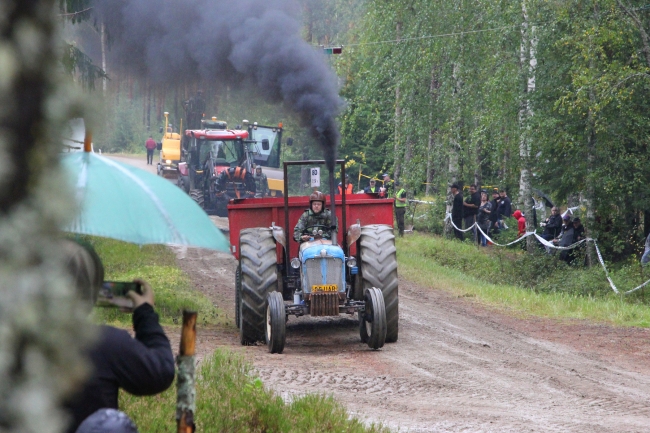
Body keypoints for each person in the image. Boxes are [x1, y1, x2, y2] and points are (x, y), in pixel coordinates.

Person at [62, 240, 175, 433]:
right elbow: (161, 371)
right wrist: (145, 313)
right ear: (92, 291)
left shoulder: (11, 337)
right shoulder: (104, 343)